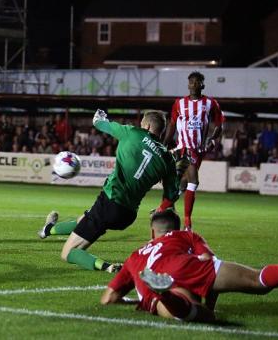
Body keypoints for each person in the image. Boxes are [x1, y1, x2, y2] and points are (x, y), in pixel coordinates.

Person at [37, 110, 179, 273]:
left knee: (67, 252)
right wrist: (161, 208)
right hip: (128, 215)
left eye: (142, 124)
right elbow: (172, 194)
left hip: (110, 203)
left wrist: (99, 116)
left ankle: (107, 267)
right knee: (83, 220)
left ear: (146, 125)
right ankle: (47, 230)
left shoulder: (132, 132)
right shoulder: (168, 159)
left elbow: (99, 123)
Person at [101, 209, 278, 322]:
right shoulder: (186, 235)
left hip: (151, 278)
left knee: (187, 312)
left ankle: (163, 293)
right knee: (257, 280)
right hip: (184, 265)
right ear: (177, 228)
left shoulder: (134, 255)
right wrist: (210, 304)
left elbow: (108, 298)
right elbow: (207, 259)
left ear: (152, 231)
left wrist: (134, 301)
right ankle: (167, 294)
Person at [156, 71, 224, 230]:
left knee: (183, 184)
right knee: (193, 181)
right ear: (187, 84)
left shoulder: (210, 103)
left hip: (199, 150)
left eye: (196, 82)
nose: (192, 85)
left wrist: (212, 139)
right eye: (190, 82)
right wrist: (164, 144)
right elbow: (172, 125)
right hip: (184, 148)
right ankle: (187, 223)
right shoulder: (179, 103)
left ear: (202, 85)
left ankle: (162, 209)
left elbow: (219, 125)